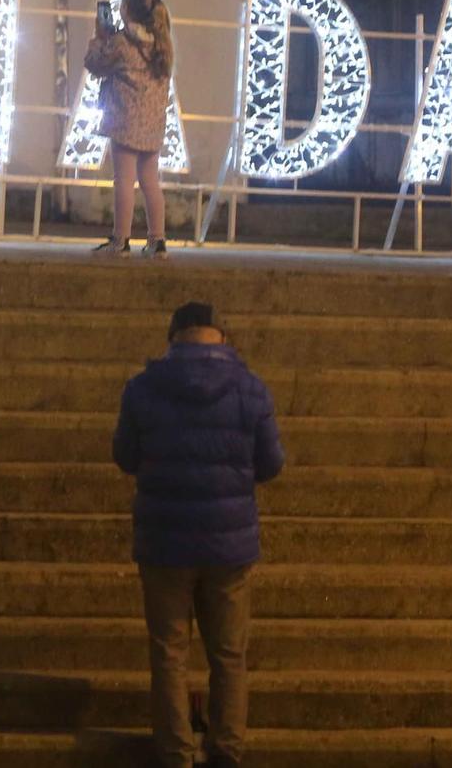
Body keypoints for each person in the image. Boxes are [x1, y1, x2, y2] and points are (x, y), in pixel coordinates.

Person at [113, 301, 285, 768]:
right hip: (230, 547)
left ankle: (176, 752)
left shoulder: (143, 389)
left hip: (164, 544)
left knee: (169, 652)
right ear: (221, 336)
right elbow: (271, 465)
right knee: (228, 654)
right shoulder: (251, 390)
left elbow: (125, 456)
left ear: (173, 338)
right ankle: (225, 749)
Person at [86, 0, 174, 258]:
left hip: (124, 123)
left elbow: (95, 65)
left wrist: (100, 38)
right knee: (150, 180)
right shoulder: (163, 45)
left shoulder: (121, 44)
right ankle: (157, 240)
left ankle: (121, 239)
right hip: (152, 126)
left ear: (124, 10)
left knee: (123, 180)